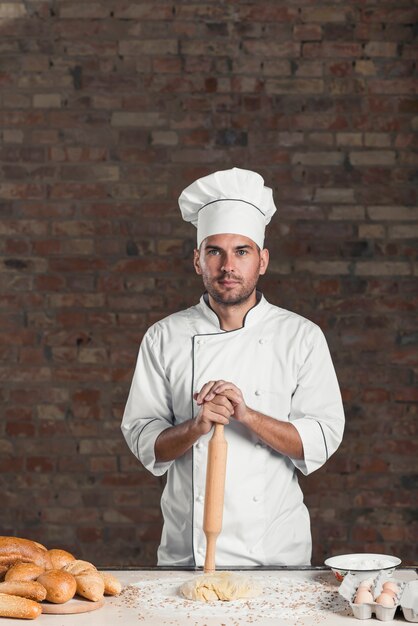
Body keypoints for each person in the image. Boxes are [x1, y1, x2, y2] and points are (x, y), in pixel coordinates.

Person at [121, 167, 345, 567]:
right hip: (187, 556)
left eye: (242, 251)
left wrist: (246, 415)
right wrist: (197, 425)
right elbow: (145, 443)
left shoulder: (301, 336)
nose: (228, 266)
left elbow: (321, 440)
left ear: (262, 261)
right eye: (215, 251)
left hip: (277, 557)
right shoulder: (164, 337)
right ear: (197, 261)